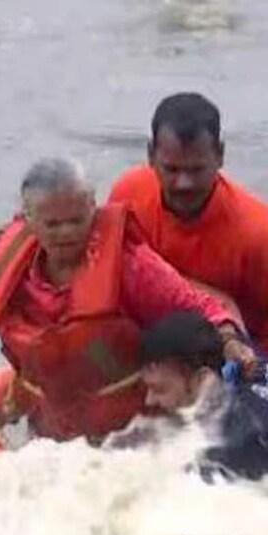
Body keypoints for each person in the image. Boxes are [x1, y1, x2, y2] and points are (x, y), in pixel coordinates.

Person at [0, 158, 257, 468]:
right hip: (53, 433)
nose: (67, 232)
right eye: (53, 224)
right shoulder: (11, 273)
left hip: (134, 433)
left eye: (77, 219)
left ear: (93, 207)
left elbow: (196, 306)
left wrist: (230, 341)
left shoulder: (131, 267)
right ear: (29, 220)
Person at [104, 92, 268, 351]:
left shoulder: (257, 232)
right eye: (171, 169)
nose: (183, 183)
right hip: (140, 339)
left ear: (220, 156)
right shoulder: (127, 195)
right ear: (150, 155)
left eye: (196, 170)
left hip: (226, 354)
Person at [135, 311, 268, 481]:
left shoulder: (236, 444)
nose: (149, 400)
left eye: (160, 389)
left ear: (203, 379)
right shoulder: (244, 360)